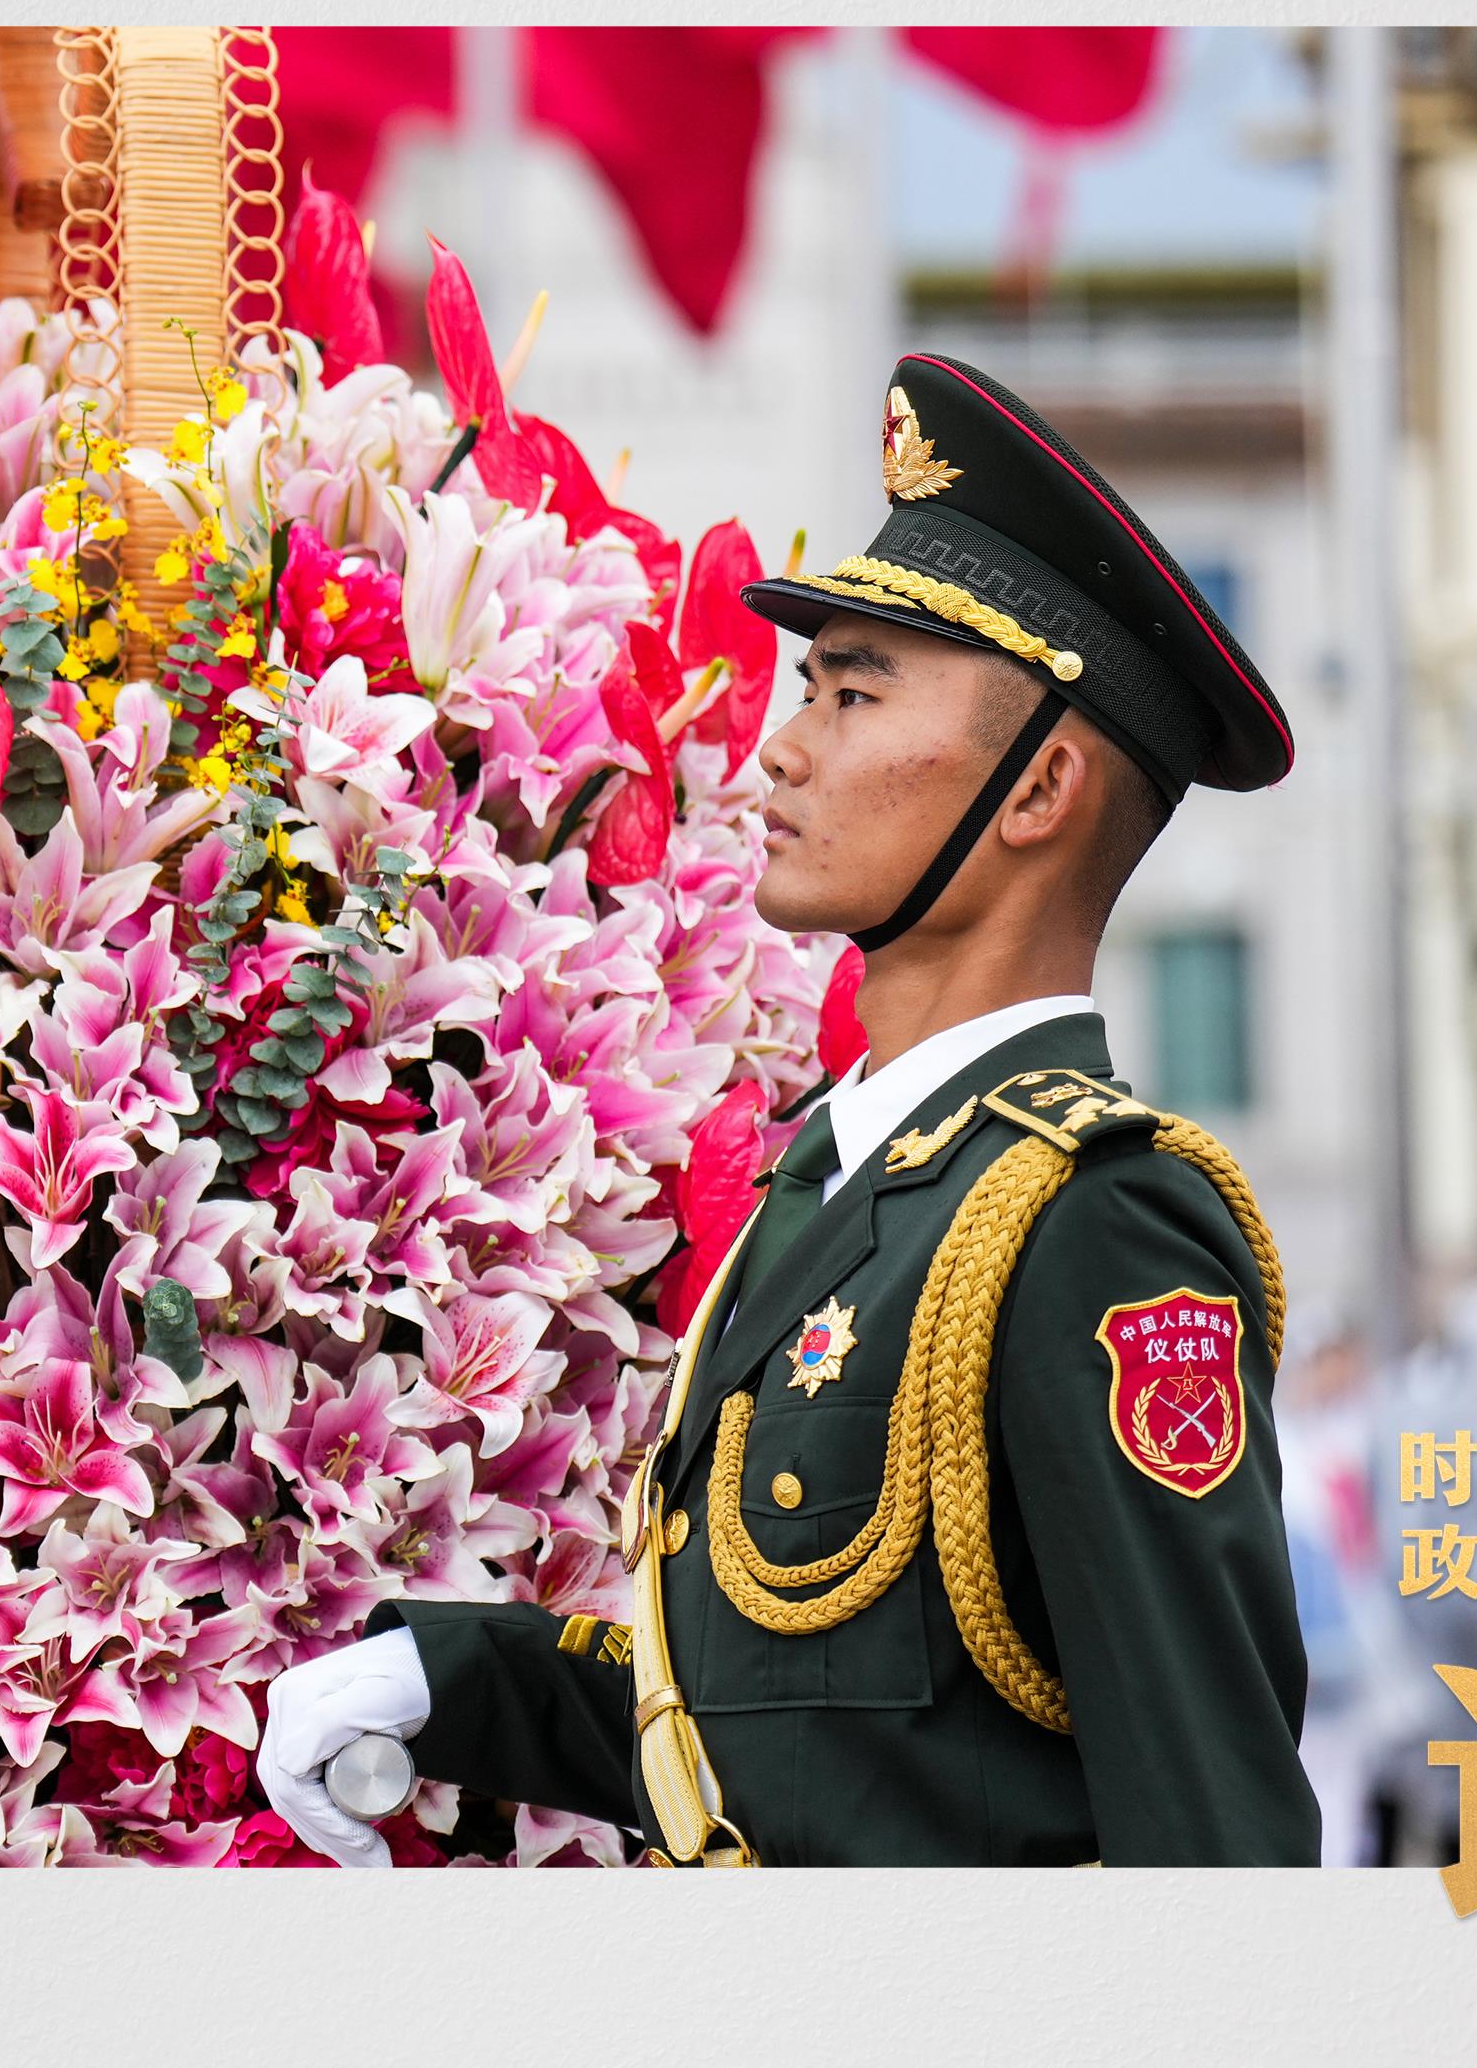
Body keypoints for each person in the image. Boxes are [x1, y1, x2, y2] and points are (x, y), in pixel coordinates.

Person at [263, 353, 1318, 1866]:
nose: (783, 745)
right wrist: (461, 1677)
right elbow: (795, 1738)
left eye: (853, 692)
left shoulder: (1094, 1226)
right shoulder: (833, 1181)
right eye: (808, 687)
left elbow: (1214, 1837)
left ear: (1040, 790)